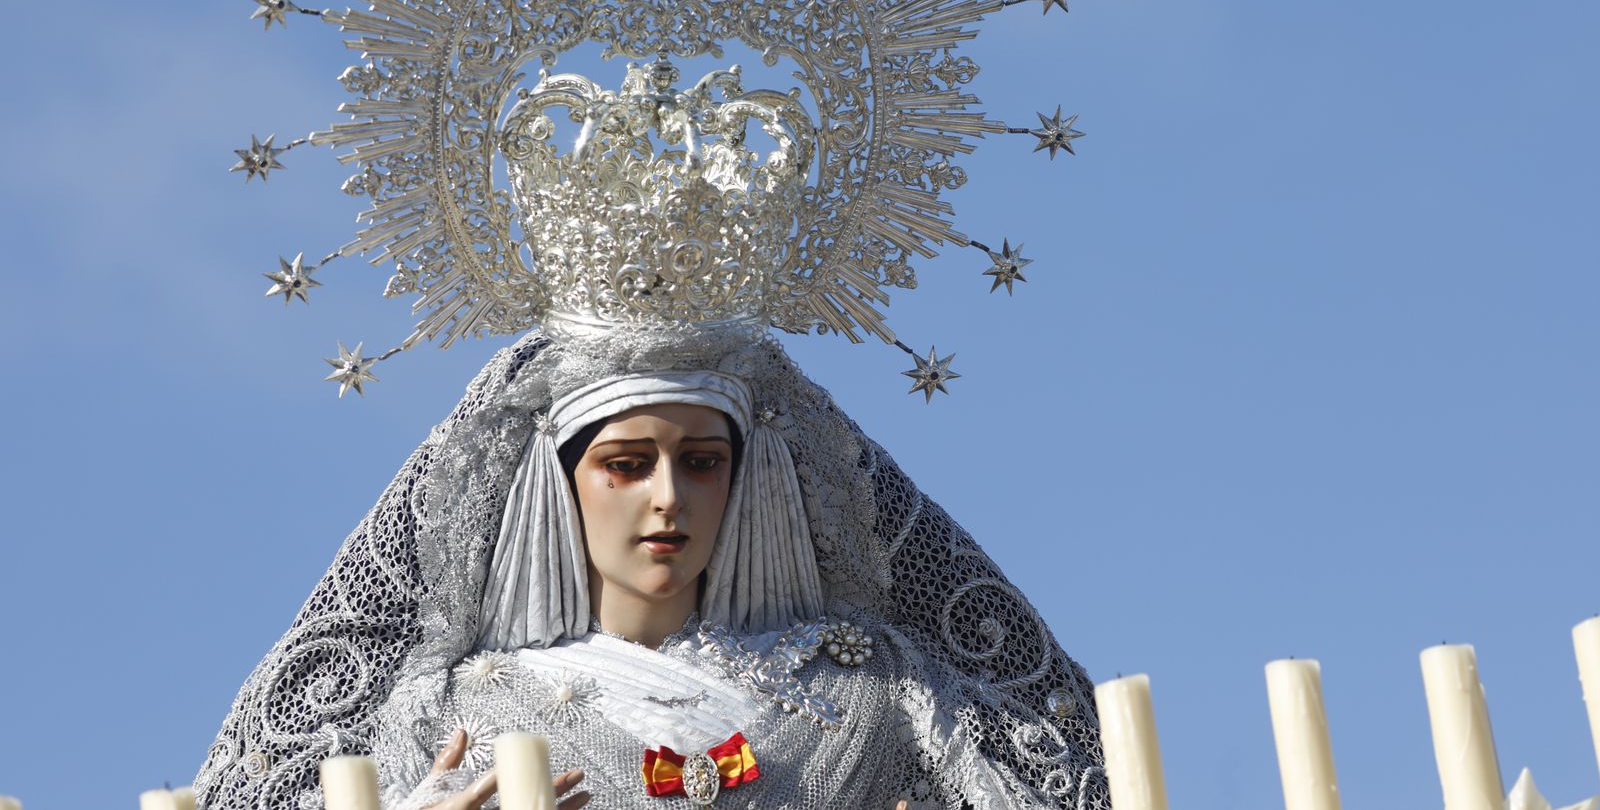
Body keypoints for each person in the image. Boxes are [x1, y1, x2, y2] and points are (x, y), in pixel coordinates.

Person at [193, 334, 1110, 810]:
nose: (667, 497)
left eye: (703, 461)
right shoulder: (460, 721)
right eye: (626, 464)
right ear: (559, 488)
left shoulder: (876, 696)